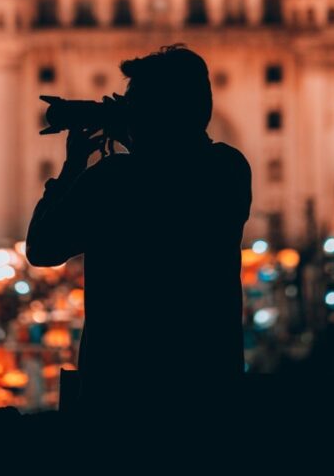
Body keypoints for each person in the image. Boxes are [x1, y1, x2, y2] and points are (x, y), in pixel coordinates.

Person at [25, 44, 252, 424]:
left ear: (150, 113)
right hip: (209, 389)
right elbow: (173, 180)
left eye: (133, 103)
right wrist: (136, 136)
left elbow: (42, 247)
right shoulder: (229, 168)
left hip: (120, 396)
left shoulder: (113, 181)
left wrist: (72, 167)